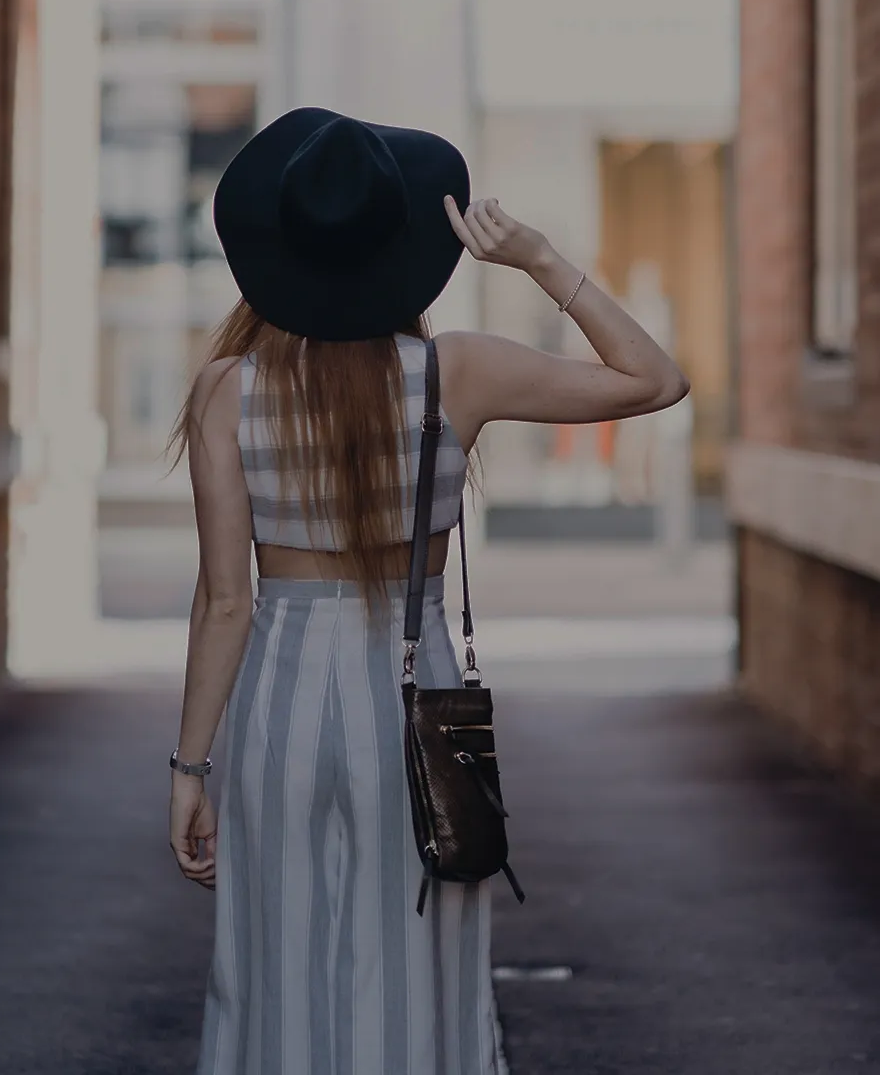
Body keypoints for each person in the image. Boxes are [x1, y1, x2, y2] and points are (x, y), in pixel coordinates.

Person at [167, 108, 688, 1075]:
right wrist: (537, 258)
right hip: (412, 700)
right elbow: (653, 380)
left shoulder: (224, 391)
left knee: (269, 968)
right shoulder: (460, 373)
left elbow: (224, 603)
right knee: (418, 971)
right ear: (400, 248)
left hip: (276, 700)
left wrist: (189, 769)